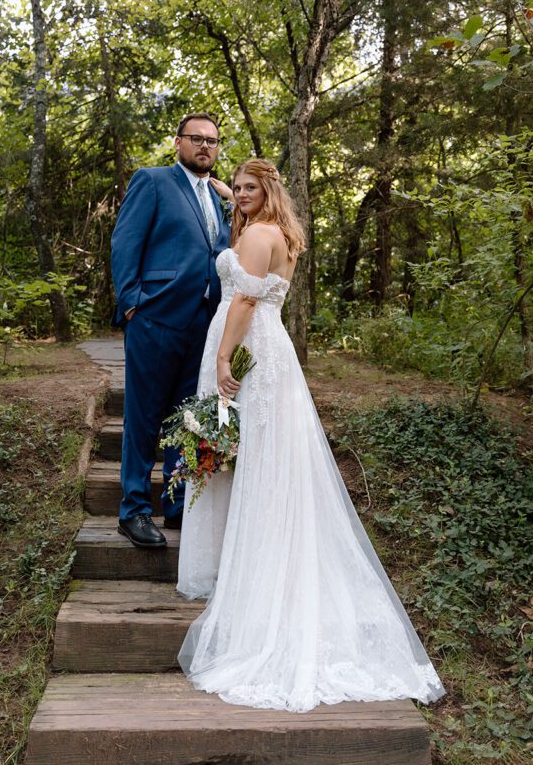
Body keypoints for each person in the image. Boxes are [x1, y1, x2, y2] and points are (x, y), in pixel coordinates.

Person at [177, 158, 445, 711]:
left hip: (246, 346)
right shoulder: (285, 235)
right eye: (238, 190)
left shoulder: (256, 236)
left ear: (267, 192)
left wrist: (225, 355)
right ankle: (255, 556)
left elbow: (246, 301)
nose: (240, 197)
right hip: (273, 351)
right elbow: (245, 208)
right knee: (265, 457)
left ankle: (254, 575)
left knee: (241, 450)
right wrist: (233, 186)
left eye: (250, 189)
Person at [110, 113, 231, 548]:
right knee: (144, 416)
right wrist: (131, 305)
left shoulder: (221, 200)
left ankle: (176, 503)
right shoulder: (153, 181)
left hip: (204, 322)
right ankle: (135, 509)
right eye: (196, 138)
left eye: (212, 141)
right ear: (178, 142)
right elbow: (125, 242)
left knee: (187, 417)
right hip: (155, 318)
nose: (204, 146)